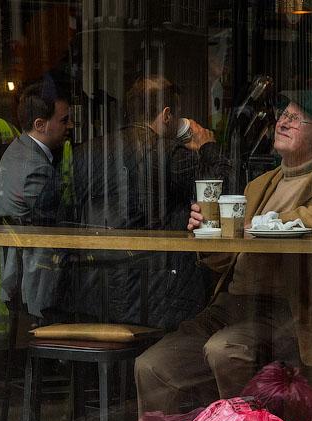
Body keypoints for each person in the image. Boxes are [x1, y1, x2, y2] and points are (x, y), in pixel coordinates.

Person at [134, 90, 312, 416]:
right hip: (231, 306)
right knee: (152, 365)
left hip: (290, 308)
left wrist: (266, 223)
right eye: (283, 115)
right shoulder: (259, 184)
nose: (282, 122)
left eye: (295, 119)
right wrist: (208, 233)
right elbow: (226, 260)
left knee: (224, 350)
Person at [69, 75, 230, 330]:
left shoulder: (83, 153)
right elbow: (221, 190)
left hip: (92, 293)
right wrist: (208, 146)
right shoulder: (167, 152)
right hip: (151, 295)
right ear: (167, 115)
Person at [0, 79, 74, 319]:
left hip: (22, 272)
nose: (70, 125)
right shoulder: (35, 166)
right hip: (36, 278)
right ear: (40, 124)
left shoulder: (18, 149)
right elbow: (55, 225)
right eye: (63, 120)